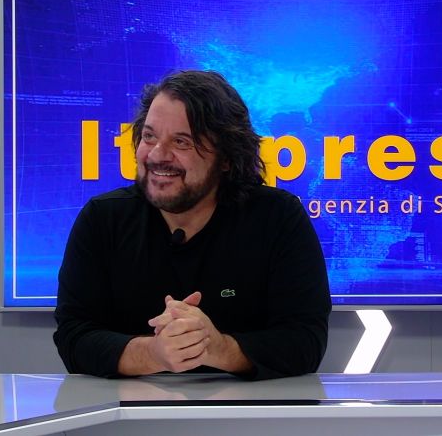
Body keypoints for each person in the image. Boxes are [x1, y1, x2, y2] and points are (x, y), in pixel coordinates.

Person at [53, 70, 331, 381]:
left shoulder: (278, 217)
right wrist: (154, 353)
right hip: (125, 409)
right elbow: (74, 337)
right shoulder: (102, 218)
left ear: (226, 158)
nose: (157, 155)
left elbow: (305, 342)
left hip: (252, 409)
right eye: (149, 136)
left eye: (181, 142)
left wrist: (216, 348)